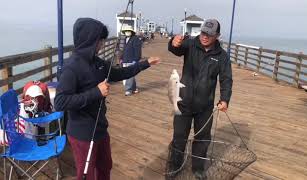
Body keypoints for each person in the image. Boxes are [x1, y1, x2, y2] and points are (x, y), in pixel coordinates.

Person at [54, 18, 160, 180]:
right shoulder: (71, 68)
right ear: (89, 40)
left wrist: (145, 63)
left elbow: (120, 73)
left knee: (105, 166)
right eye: (99, 40)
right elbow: (60, 102)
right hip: (82, 133)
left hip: (100, 128)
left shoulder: (99, 63)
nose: (102, 44)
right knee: (86, 174)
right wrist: (95, 92)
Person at [167, 19, 233, 179]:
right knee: (179, 137)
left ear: (217, 36)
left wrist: (225, 99)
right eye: (203, 32)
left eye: (209, 34)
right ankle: (174, 167)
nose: (204, 36)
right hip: (183, 103)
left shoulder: (222, 57)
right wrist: (173, 42)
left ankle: (198, 168)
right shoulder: (190, 44)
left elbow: (226, 79)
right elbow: (175, 49)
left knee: (202, 139)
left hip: (205, 107)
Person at [121, 26, 143, 96]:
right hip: (125, 59)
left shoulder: (136, 39)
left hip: (132, 60)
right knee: (130, 75)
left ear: (131, 31)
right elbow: (124, 50)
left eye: (128, 30)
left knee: (129, 75)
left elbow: (138, 51)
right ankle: (134, 88)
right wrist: (121, 58)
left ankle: (128, 90)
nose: (127, 32)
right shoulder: (125, 39)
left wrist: (136, 60)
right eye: (126, 31)